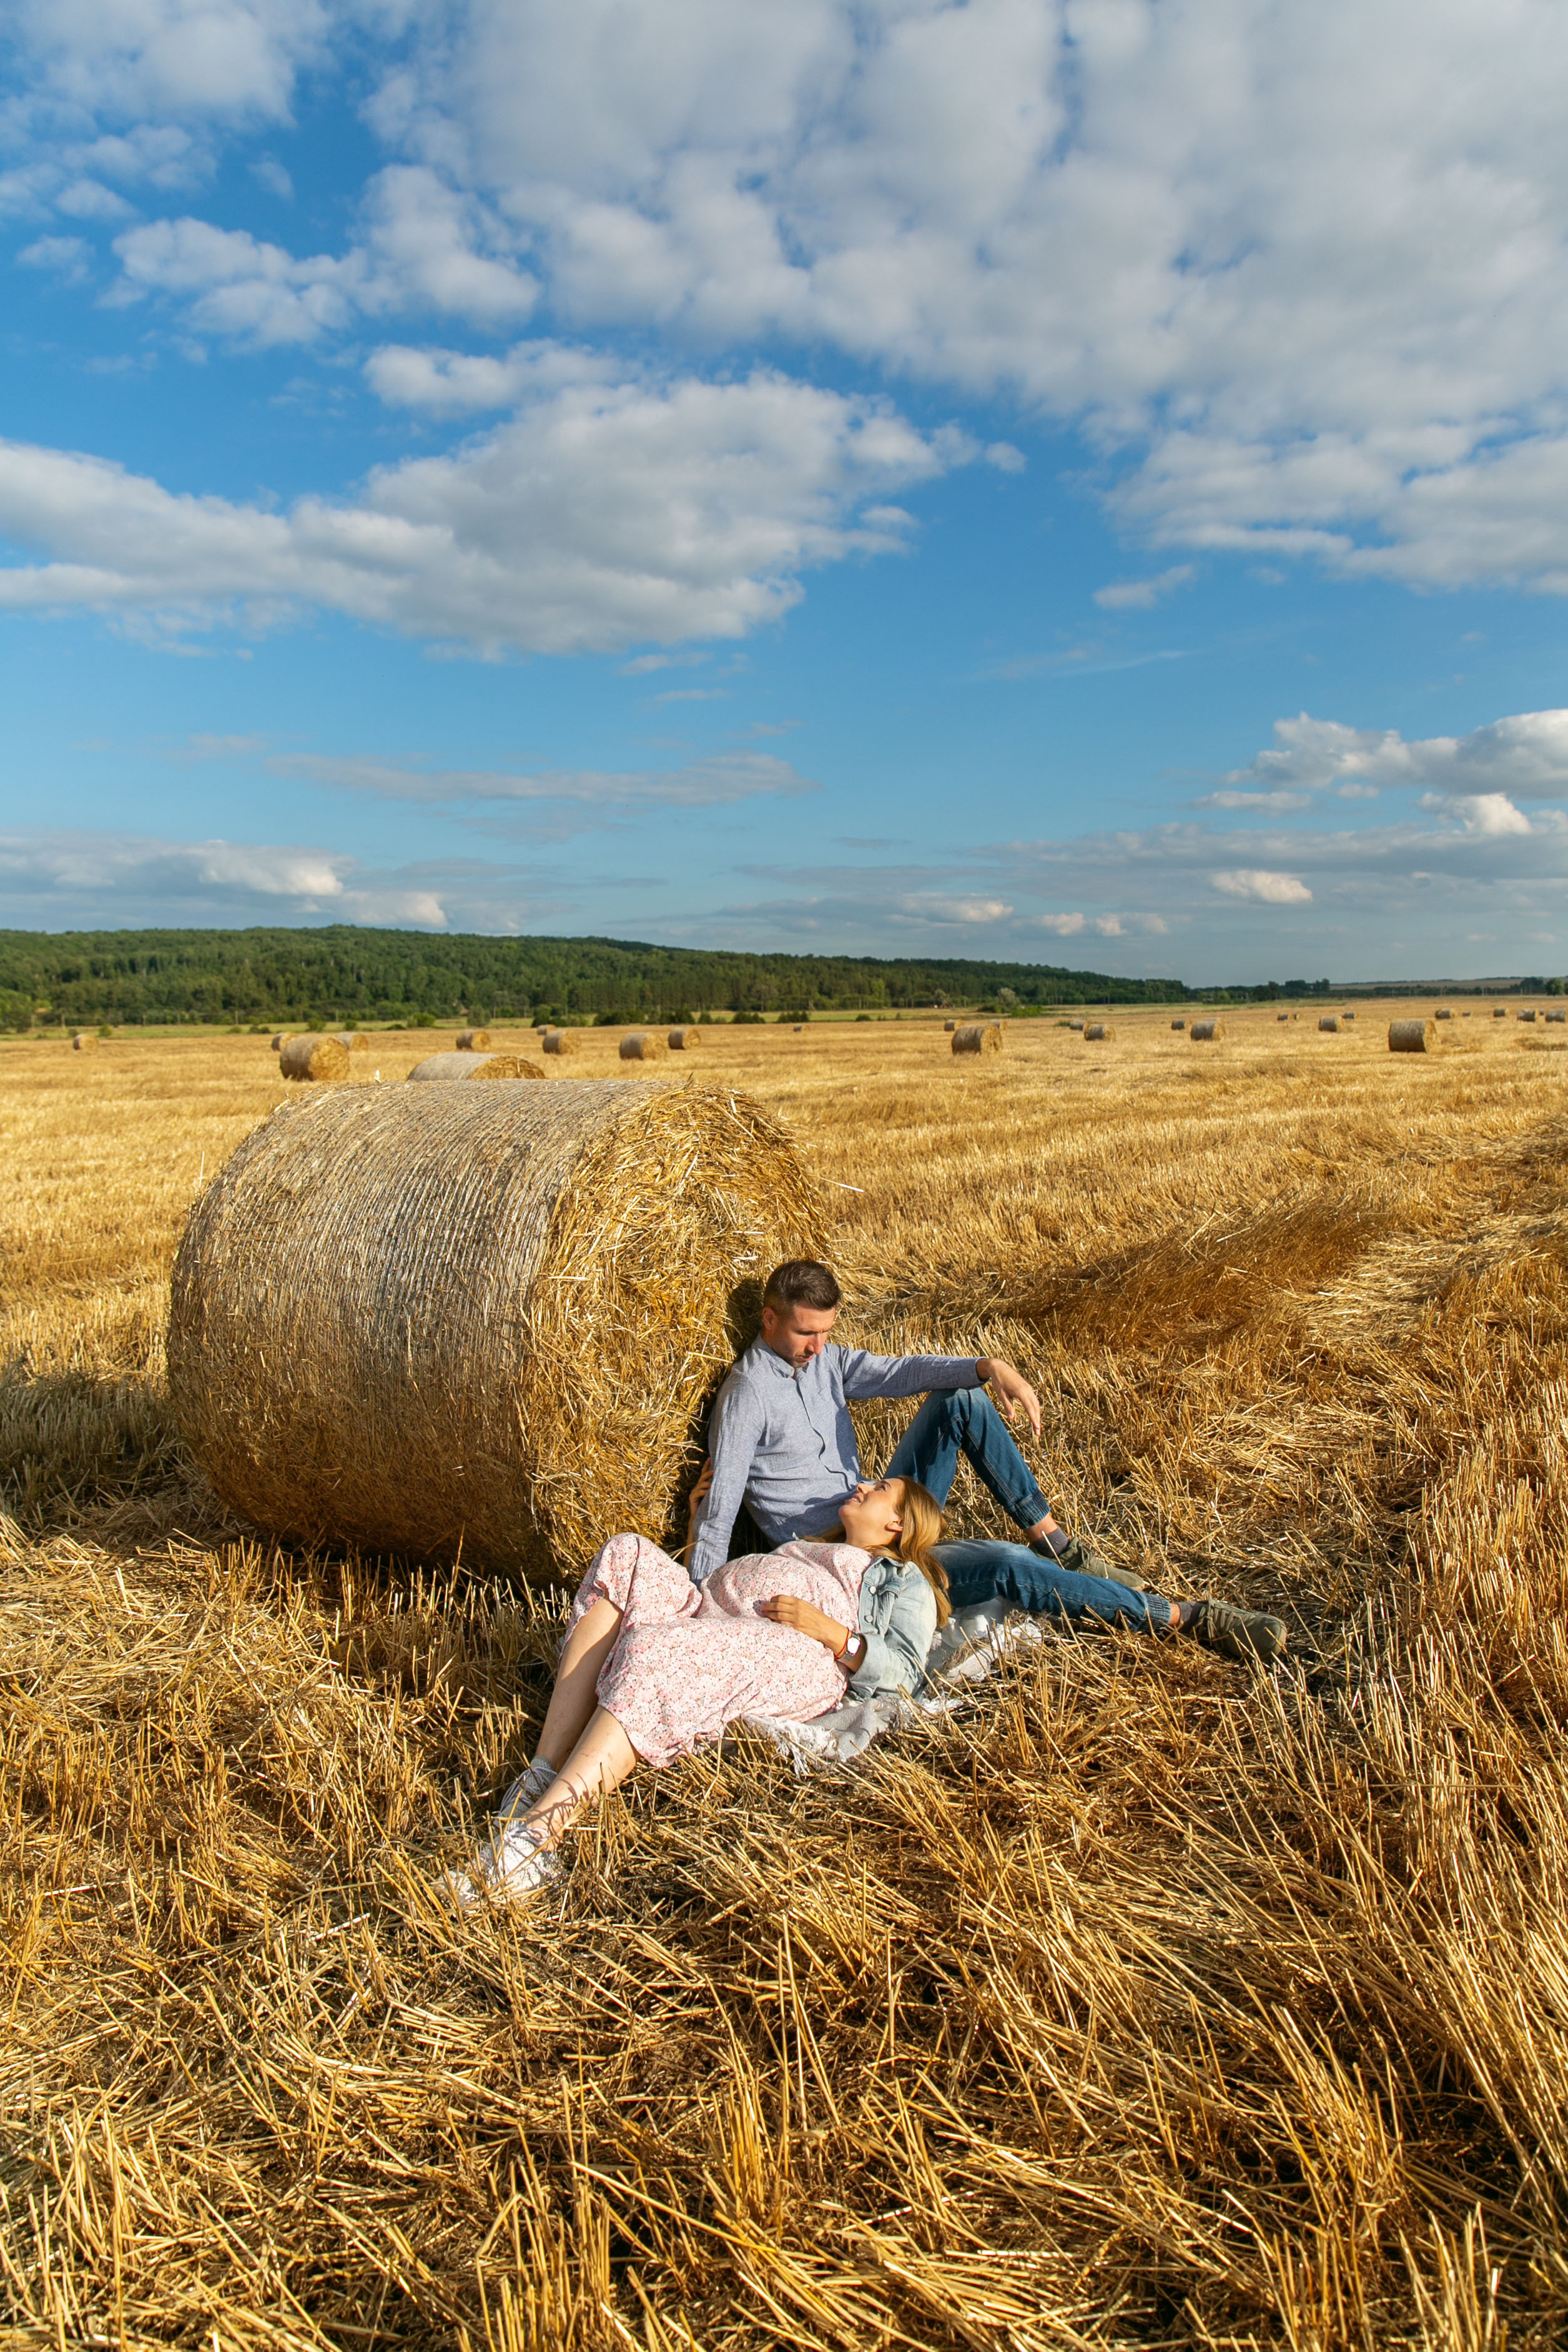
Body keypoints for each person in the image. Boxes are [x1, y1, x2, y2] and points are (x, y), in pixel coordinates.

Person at [689, 1258, 1286, 1663]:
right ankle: (1186, 1616)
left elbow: (900, 1372)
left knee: (960, 1399)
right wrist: (696, 1606)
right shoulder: (745, 1397)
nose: (818, 1348)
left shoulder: (822, 1360)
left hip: (883, 1513)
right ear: (768, 1320)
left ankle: (1060, 1546)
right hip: (842, 1557)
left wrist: (985, 1365)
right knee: (1005, 1565)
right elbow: (719, 1511)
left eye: (826, 1333)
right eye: (804, 1334)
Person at [447, 1473, 951, 1907]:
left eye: (881, 1488)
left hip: (800, 1655)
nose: (862, 1485)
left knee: (659, 1650)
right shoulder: (815, 1545)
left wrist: (833, 1633)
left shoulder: (905, 1580)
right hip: (707, 1612)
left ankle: (537, 1841)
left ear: (898, 1524)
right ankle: (542, 1772)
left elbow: (904, 1669)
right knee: (627, 1553)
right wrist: (697, 1527)